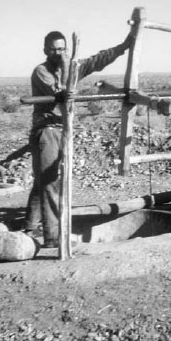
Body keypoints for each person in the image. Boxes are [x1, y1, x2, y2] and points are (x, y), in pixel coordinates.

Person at [23, 31, 132, 247]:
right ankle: (53, 237)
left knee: (43, 180)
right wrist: (67, 64)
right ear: (46, 50)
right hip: (47, 129)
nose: (58, 52)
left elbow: (98, 60)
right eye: (54, 49)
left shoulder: (71, 67)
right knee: (50, 182)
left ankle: (28, 225)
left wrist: (123, 46)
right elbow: (63, 92)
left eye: (62, 48)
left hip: (63, 127)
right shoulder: (41, 72)